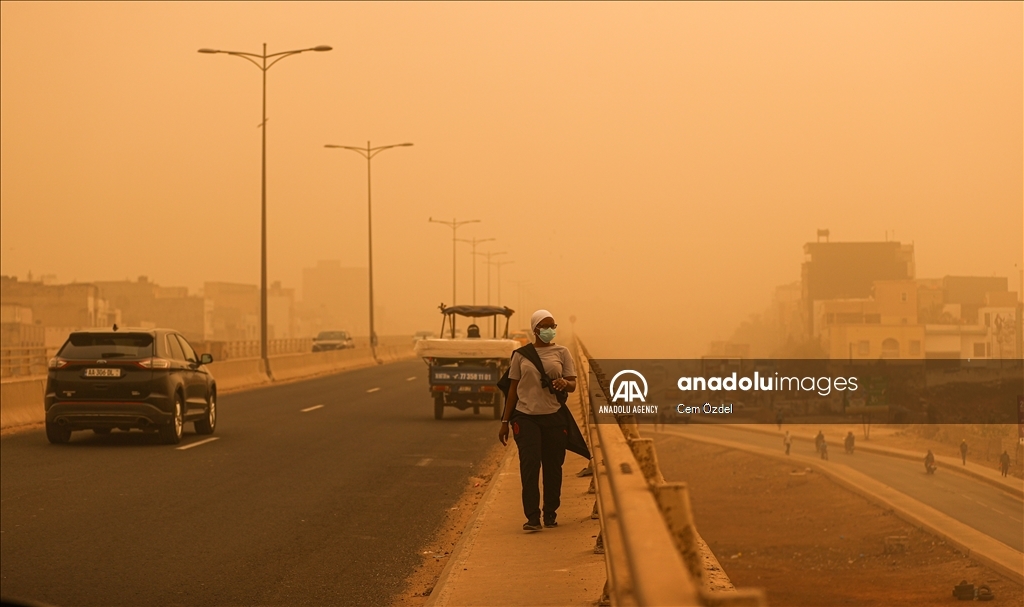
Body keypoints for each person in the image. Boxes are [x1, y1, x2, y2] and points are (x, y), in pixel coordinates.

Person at [498, 310, 585, 531]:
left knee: (553, 466)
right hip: (526, 417)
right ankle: (532, 517)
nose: (550, 330)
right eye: (545, 326)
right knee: (530, 465)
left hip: (554, 417)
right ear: (535, 329)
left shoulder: (563, 352)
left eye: (553, 326)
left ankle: (550, 512)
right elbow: (513, 390)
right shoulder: (520, 355)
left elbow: (573, 384)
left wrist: (564, 383)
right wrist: (504, 421)